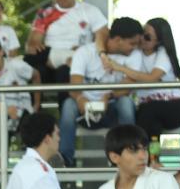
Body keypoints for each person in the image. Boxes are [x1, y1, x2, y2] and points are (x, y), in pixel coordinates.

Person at [58, 17, 145, 166]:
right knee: (68, 105)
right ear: (118, 39)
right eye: (132, 43)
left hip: (111, 107)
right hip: (84, 109)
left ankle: (127, 157)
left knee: (126, 103)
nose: (135, 47)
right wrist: (81, 100)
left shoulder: (134, 56)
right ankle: (65, 160)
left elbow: (127, 86)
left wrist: (108, 96)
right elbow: (75, 85)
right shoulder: (85, 52)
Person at [23, 0, 108, 95]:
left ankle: (66, 114)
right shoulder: (45, 13)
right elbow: (32, 46)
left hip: (78, 65)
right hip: (48, 65)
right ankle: (31, 113)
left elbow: (103, 39)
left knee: (64, 72)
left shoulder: (90, 11)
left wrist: (81, 54)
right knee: (29, 65)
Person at [114, 17, 180, 144]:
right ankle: (152, 160)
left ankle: (136, 154)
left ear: (158, 41)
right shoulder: (134, 53)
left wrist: (121, 68)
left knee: (148, 111)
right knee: (152, 124)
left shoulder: (162, 54)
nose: (141, 39)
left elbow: (152, 78)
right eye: (142, 33)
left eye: (147, 37)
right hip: (148, 110)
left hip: (173, 108)